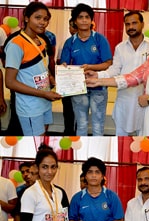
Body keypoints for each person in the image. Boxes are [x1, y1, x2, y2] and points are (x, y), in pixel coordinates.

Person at [95, 11, 149, 136]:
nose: (131, 27)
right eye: (127, 24)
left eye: (134, 23)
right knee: (121, 135)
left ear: (142, 24)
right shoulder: (120, 47)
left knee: (144, 136)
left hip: (146, 99)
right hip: (125, 98)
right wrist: (97, 75)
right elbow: (115, 70)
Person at [4, 2, 62, 135]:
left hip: (45, 101)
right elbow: (10, 82)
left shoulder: (41, 40)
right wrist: (44, 94)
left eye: (46, 19)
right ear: (26, 18)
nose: (42, 22)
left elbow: (43, 66)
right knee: (35, 139)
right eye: (38, 17)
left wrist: (52, 79)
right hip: (30, 105)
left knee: (43, 135)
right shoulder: (16, 44)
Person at [59, 3, 112, 136]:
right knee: (81, 124)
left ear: (91, 20)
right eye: (80, 17)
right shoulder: (70, 42)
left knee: (98, 125)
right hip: (78, 88)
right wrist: (64, 68)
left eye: (87, 17)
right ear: (75, 21)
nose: (84, 20)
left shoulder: (100, 39)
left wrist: (90, 67)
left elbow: (108, 63)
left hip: (98, 87)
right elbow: (64, 64)